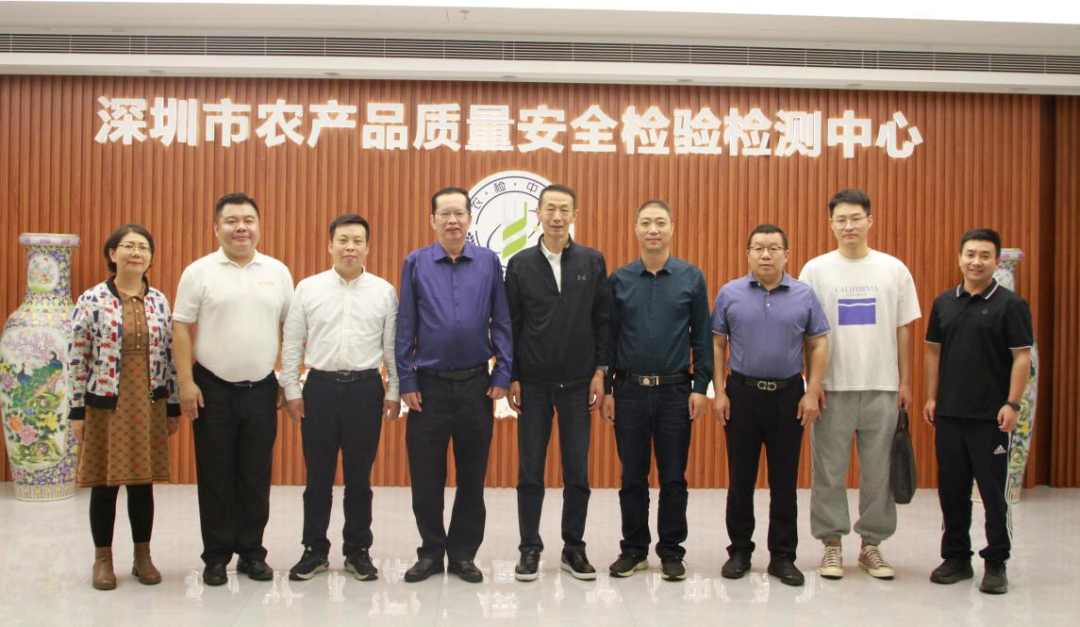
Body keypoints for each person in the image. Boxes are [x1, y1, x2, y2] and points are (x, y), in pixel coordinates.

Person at [799, 188, 921, 580]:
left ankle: (872, 545)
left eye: (856, 218)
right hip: (831, 388)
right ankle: (831, 545)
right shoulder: (815, 270)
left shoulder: (893, 269)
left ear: (870, 220)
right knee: (828, 471)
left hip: (882, 387)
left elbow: (903, 329)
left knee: (879, 473)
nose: (848, 225)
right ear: (830, 224)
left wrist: (904, 381)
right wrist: (811, 384)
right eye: (841, 219)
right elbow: (805, 333)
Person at [172, 192, 294, 586]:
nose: (241, 227)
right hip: (212, 388)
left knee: (256, 476)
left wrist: (286, 379)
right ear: (216, 228)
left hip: (262, 389)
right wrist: (185, 382)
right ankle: (216, 556)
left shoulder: (277, 271)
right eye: (231, 220)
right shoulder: (199, 272)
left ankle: (252, 554)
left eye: (248, 220)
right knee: (215, 476)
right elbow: (180, 327)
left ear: (258, 226)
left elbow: (291, 328)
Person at [395, 186, 512, 584]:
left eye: (459, 213)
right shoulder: (415, 262)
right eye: (444, 213)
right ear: (432, 220)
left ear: (469, 218)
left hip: (475, 386)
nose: (452, 220)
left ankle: (463, 555)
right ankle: (430, 552)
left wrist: (502, 372)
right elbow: (406, 325)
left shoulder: (488, 262)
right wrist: (406, 378)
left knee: (472, 477)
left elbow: (502, 320)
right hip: (427, 389)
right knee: (426, 477)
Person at [279, 214, 401, 582]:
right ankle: (314, 550)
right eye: (343, 240)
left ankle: (357, 550)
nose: (350, 247)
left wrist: (393, 390)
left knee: (359, 478)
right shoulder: (308, 288)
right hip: (319, 389)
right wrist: (291, 389)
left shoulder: (384, 291)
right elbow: (292, 342)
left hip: (366, 389)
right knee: (317, 476)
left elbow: (391, 347)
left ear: (367, 247)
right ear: (330, 245)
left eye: (357, 241)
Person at [712, 224, 830, 586]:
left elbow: (819, 343)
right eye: (759, 248)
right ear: (748, 254)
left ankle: (782, 556)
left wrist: (812, 391)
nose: (766, 254)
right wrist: (720, 391)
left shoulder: (804, 295)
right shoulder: (730, 293)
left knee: (784, 480)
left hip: (788, 396)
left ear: (786, 255)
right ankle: (740, 551)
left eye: (774, 248)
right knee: (741, 478)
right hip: (742, 394)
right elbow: (717, 343)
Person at [505, 184, 611, 582]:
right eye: (550, 209)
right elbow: (511, 323)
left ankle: (574, 548)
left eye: (564, 209)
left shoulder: (591, 260)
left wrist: (600, 371)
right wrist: (513, 375)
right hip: (533, 383)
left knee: (577, 471)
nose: (556, 216)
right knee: (530, 471)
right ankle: (529, 548)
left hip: (578, 382)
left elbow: (603, 319)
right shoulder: (520, 264)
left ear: (574, 215)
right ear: (538, 214)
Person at [603, 199, 712, 582]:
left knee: (673, 476)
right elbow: (609, 339)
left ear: (671, 228)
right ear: (636, 228)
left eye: (660, 222)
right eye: (646, 222)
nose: (653, 229)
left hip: (675, 392)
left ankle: (671, 552)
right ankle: (633, 550)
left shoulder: (691, 277)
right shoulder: (619, 280)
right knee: (632, 476)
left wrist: (701, 386)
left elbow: (702, 336)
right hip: (629, 391)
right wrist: (608, 389)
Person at [68, 224, 180, 590]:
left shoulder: (159, 301)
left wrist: (173, 405)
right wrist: (77, 411)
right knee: (105, 484)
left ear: (150, 258)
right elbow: (77, 358)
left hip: (148, 403)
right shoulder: (92, 300)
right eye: (128, 246)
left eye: (143, 247)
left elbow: (170, 356)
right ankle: (103, 560)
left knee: (142, 484)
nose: (136, 253)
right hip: (105, 405)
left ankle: (142, 556)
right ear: (112, 253)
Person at [923, 228, 1033, 595]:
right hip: (950, 414)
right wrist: (932, 397)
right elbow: (933, 351)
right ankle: (956, 557)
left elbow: (1022, 358)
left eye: (985, 255)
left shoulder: (1011, 305)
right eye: (970, 254)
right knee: (952, 491)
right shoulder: (944, 302)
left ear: (996, 261)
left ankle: (996, 561)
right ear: (960, 258)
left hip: (991, 418)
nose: (976, 261)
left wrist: (1012, 403)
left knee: (993, 493)